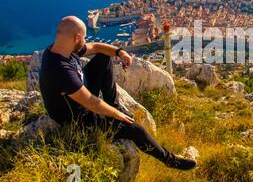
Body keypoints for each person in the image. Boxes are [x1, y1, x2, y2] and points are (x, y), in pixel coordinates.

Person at [39, 15, 196, 170]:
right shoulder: (60, 69)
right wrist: (115, 114)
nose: (85, 42)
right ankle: (170, 160)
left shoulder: (62, 48)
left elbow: (98, 47)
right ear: (77, 37)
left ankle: (113, 102)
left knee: (104, 58)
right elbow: (91, 103)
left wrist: (120, 52)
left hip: (78, 95)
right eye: (84, 38)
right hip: (77, 116)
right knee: (135, 129)